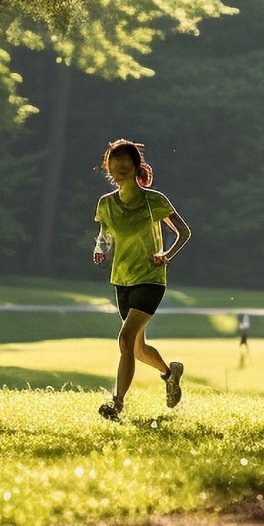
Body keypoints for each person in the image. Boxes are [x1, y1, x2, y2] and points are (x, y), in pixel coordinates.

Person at [90, 139, 192, 421]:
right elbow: (106, 234)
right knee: (135, 348)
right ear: (108, 168)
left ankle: (116, 405)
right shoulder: (106, 204)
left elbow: (184, 232)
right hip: (121, 279)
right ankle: (169, 374)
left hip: (151, 278)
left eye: (125, 163)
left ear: (136, 167)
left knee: (124, 339)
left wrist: (166, 253)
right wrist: (100, 250)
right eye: (114, 163)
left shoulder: (153, 200)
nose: (119, 168)